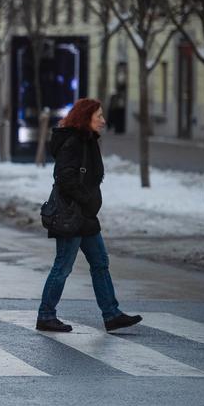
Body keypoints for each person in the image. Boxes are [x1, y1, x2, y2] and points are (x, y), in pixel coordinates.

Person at [37, 98, 142, 333]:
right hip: (72, 216)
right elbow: (64, 177)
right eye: (99, 117)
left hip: (85, 218)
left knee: (100, 263)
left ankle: (111, 314)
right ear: (86, 118)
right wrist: (85, 198)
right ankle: (45, 314)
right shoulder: (74, 142)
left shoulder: (88, 140)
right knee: (63, 266)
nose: (104, 121)